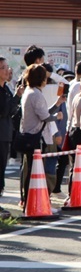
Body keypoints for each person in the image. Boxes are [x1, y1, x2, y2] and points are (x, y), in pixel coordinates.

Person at [19, 64, 65, 208]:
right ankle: (32, 202)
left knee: (31, 171)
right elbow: (45, 117)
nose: (46, 81)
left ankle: (29, 201)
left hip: (28, 135)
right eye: (45, 78)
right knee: (36, 172)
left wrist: (56, 104)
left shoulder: (29, 91)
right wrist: (57, 116)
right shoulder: (36, 94)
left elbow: (43, 113)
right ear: (41, 79)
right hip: (35, 137)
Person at [0, 56, 22, 198]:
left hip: (6, 134)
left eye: (7, 67)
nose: (8, 70)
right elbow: (4, 110)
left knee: (2, 168)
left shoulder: (6, 88)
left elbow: (12, 111)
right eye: (4, 67)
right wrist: (17, 97)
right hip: (1, 134)